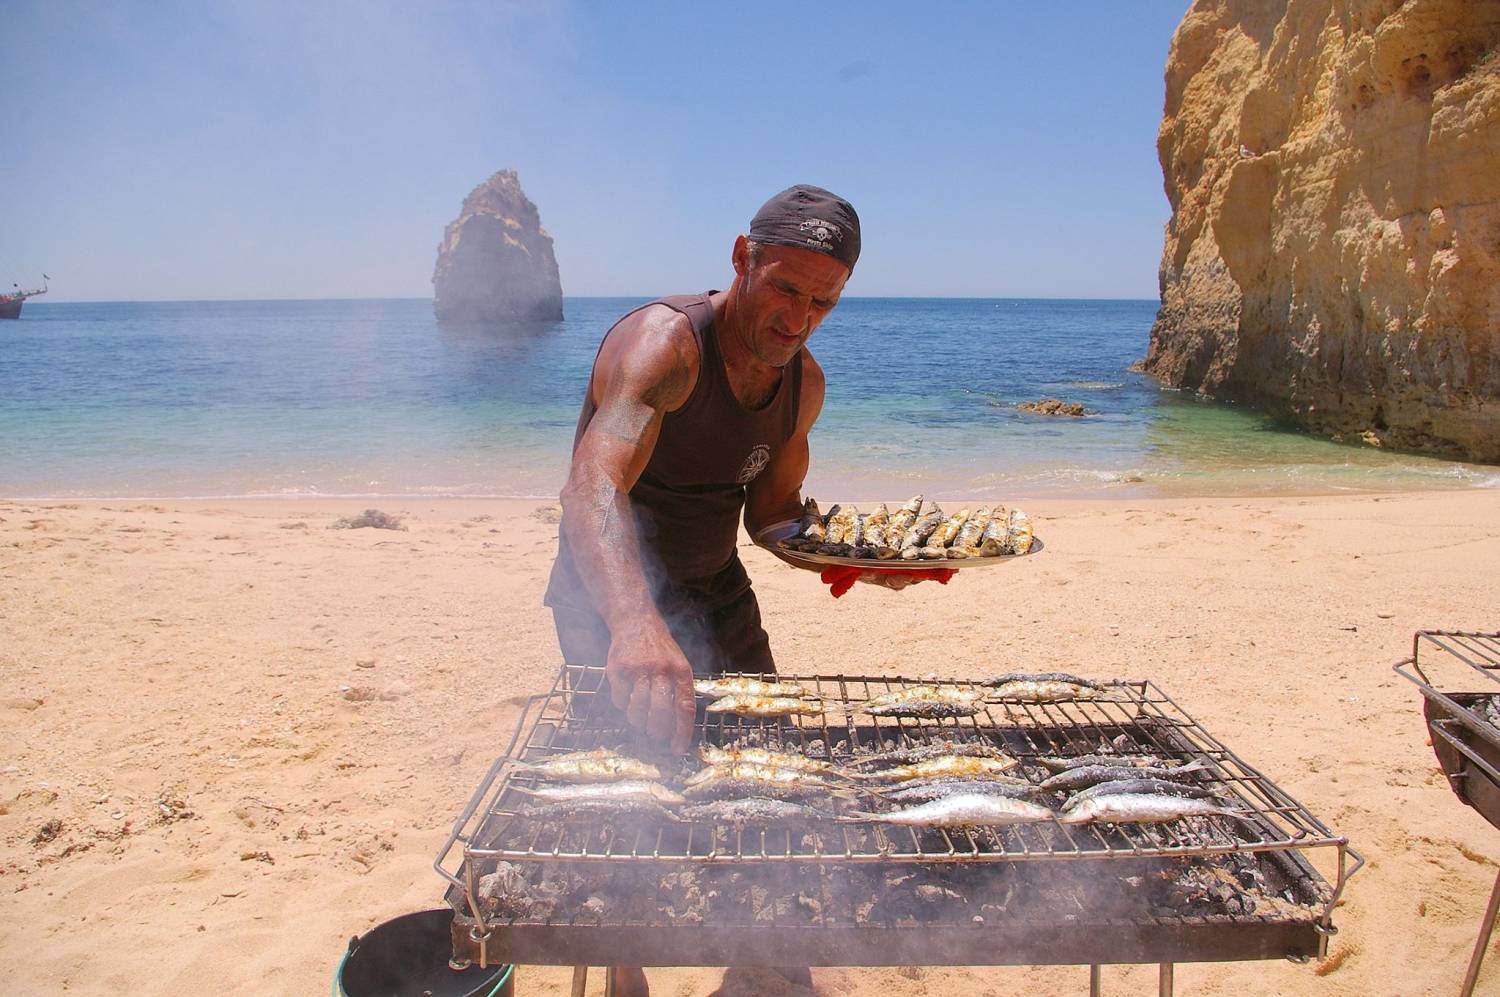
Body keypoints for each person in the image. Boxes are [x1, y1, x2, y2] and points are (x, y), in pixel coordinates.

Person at [542, 185, 919, 995]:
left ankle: (762, 958)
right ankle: (625, 968)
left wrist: (855, 559)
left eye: (823, 301)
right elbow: (591, 490)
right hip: (609, 592)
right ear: (743, 258)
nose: (799, 316)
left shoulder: (801, 384)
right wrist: (636, 626)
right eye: (786, 287)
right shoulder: (664, 346)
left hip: (715, 584)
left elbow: (774, 517)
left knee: (765, 763)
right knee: (634, 783)